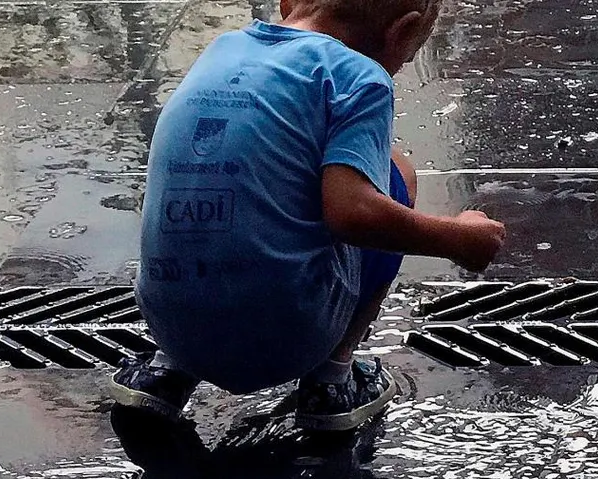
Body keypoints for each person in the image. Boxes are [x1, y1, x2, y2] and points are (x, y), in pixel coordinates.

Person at [110, 0, 507, 431]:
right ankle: (333, 380)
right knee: (395, 175)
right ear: (402, 33)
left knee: (218, 174)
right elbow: (354, 214)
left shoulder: (223, 49)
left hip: (172, 323)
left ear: (287, 3)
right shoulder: (360, 76)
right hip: (288, 335)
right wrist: (457, 238)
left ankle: (167, 372)